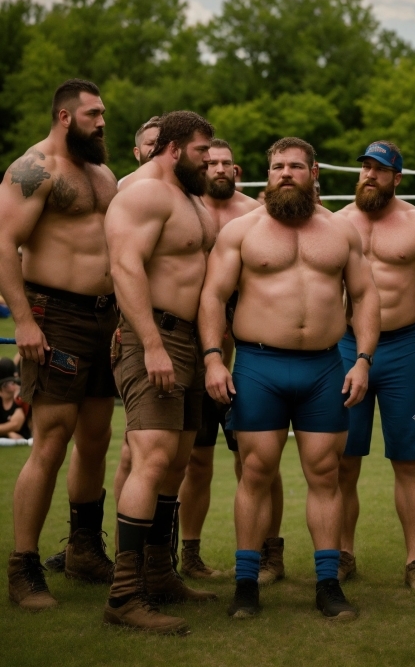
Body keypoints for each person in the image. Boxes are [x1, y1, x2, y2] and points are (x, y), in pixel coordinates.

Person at [200, 136, 380, 620]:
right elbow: (214, 296)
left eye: (295, 166)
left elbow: (363, 297)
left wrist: (362, 359)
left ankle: (327, 584)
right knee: (255, 472)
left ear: (313, 171)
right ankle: (245, 584)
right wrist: (214, 358)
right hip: (259, 366)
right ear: (265, 171)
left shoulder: (341, 231)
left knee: (325, 474)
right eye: (277, 165)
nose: (284, 173)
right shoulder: (242, 231)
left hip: (324, 367)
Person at [0, 78, 119, 611]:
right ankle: (23, 568)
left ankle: (84, 550)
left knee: (96, 437)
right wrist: (24, 321)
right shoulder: (34, 167)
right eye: (93, 114)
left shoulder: (102, 172)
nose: (102, 121)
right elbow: (4, 242)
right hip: (55, 314)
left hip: (104, 317)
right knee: (51, 438)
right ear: (66, 116)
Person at [103, 110, 217, 635]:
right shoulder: (143, 193)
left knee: (177, 460)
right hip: (158, 337)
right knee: (150, 457)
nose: (209, 160)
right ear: (172, 148)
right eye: (200, 151)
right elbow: (125, 266)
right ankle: (125, 596)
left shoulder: (187, 195)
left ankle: (158, 573)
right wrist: (149, 342)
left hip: (191, 342)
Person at [45, 114, 165, 574]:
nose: (156, 148)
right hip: (103, 322)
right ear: (138, 151)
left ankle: (102, 550)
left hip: (121, 322)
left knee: (107, 440)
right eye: (149, 142)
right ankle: (77, 549)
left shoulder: (172, 193)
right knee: (71, 440)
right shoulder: (123, 188)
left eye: (163, 142)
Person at [336, 141, 415, 590]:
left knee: (408, 459)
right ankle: (344, 553)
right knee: (344, 459)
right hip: (347, 348)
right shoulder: (337, 222)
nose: (369, 175)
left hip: (404, 348)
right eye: (364, 166)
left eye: (379, 170)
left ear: (396, 177)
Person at [176, 138, 274, 582]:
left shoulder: (255, 214)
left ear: (236, 170)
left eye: (225, 163)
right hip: (190, 353)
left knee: (258, 459)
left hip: (246, 356)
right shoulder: (180, 206)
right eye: (210, 161)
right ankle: (189, 552)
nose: (217, 169)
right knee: (195, 459)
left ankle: (269, 551)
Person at [0, 357, 30, 440]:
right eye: (12, 382)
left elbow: (16, 424)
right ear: (3, 385)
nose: (15, 384)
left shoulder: (20, 399)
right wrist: (8, 432)